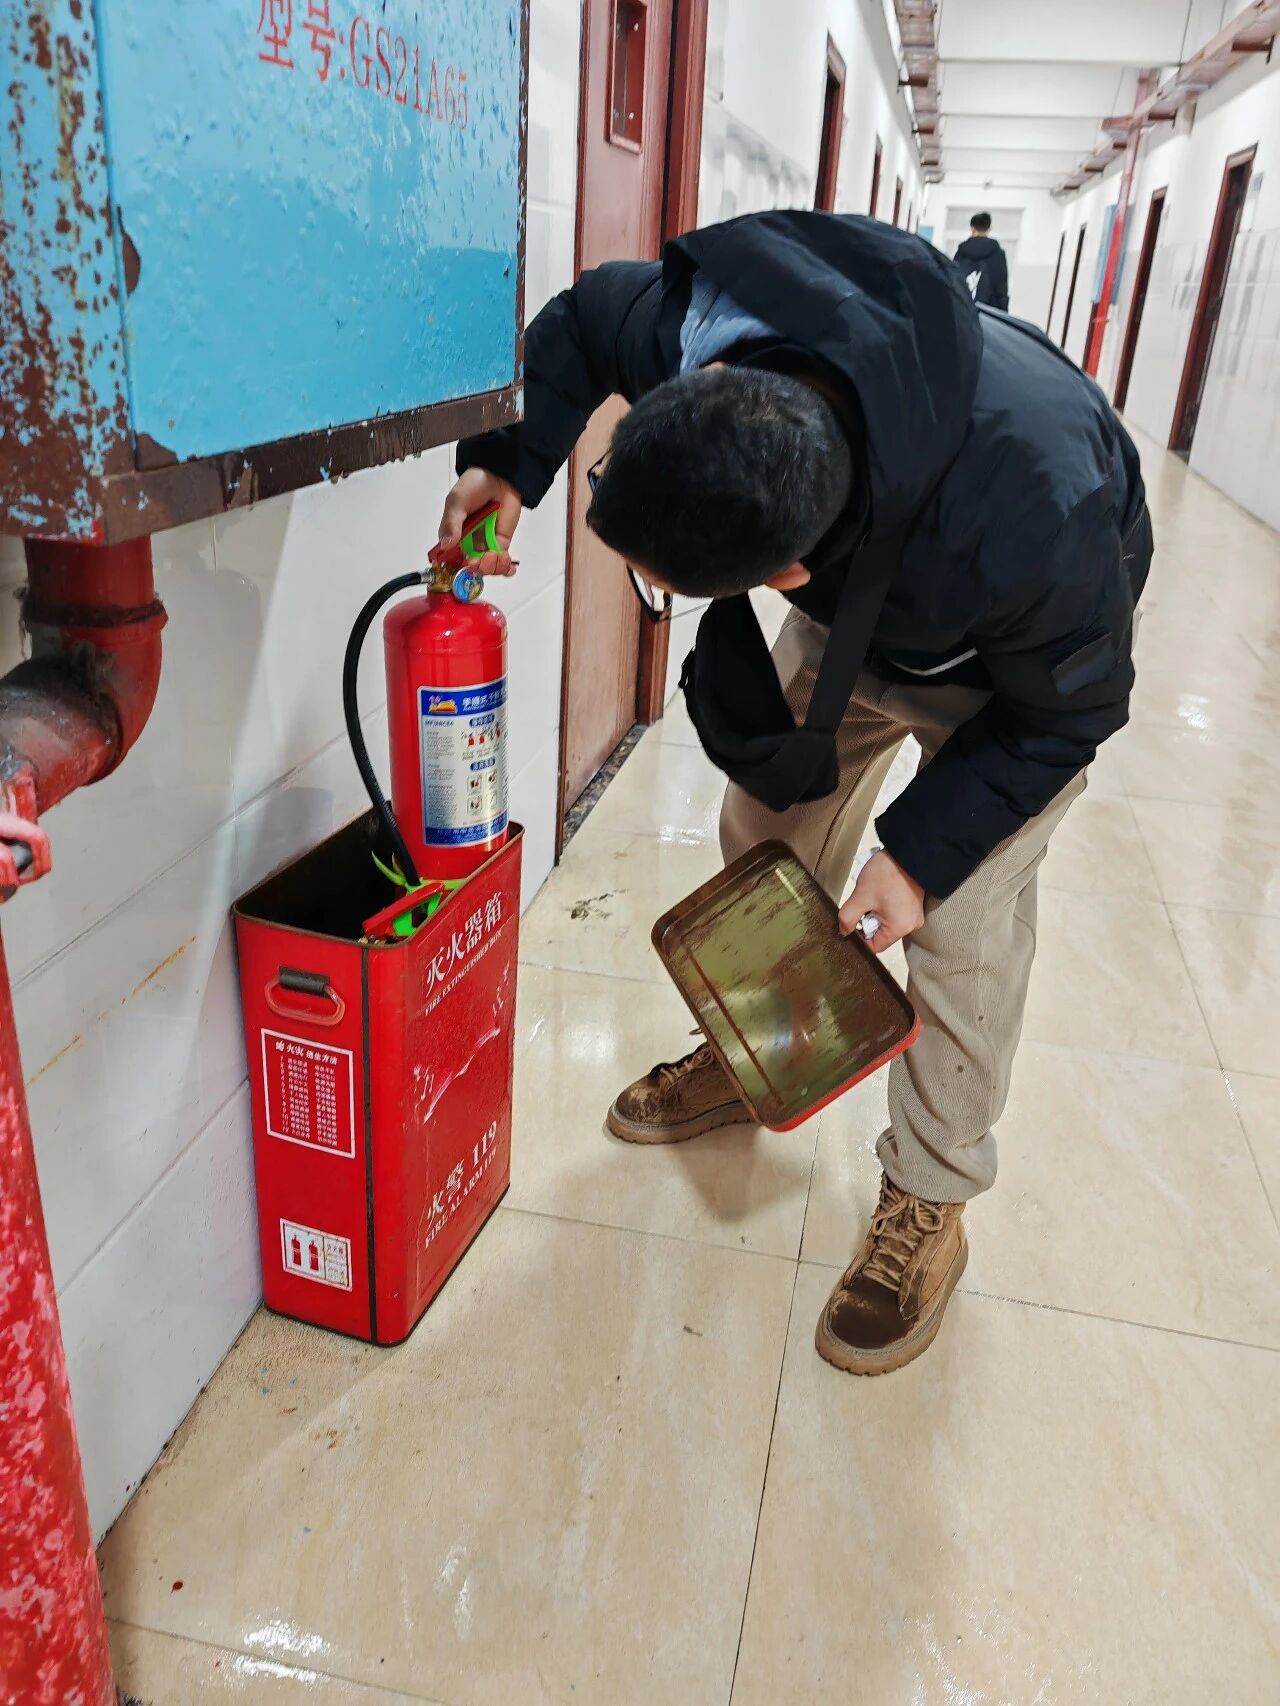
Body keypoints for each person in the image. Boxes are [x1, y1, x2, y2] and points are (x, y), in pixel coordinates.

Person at [440, 210, 1150, 1378]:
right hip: (867, 603)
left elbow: (1070, 710)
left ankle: (928, 1196)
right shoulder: (696, 335)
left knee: (962, 924)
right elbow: (576, 321)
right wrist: (505, 466)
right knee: (763, 829)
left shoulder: (1037, 514)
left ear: (783, 572)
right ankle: (754, 1047)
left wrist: (915, 858)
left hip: (1014, 669)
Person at [953, 210, 1009, 311]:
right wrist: (1003, 310)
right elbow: (1001, 288)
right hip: (987, 310)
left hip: (962, 308)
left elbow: (953, 279)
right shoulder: (998, 254)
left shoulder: (961, 252)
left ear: (972, 228)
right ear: (989, 229)